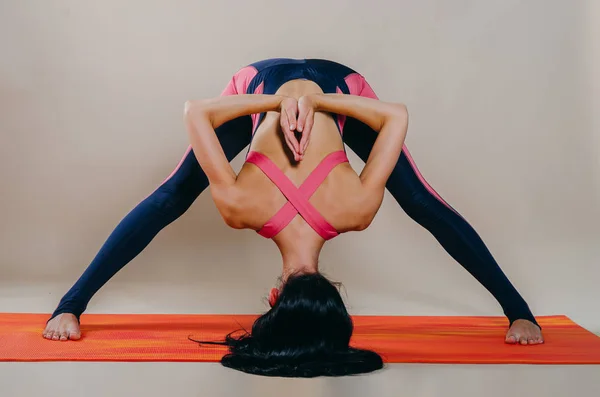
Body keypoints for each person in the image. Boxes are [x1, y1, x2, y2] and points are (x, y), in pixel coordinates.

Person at [42, 59, 543, 353]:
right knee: (419, 201)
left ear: (336, 294)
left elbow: (395, 116)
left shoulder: (356, 211)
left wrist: (283, 102)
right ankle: (70, 307)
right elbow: (196, 112)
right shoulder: (241, 207)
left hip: (304, 84)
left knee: (171, 197)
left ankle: (520, 314)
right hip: (319, 90)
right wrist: (312, 102)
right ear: (273, 298)